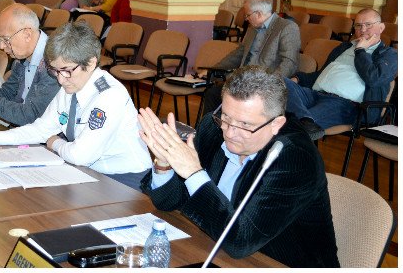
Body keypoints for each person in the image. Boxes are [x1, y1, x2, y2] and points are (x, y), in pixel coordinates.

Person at [138, 66, 337, 266]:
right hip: (216, 251)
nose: (230, 133)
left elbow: (240, 241)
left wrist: (193, 173)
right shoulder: (214, 127)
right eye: (226, 117)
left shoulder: (295, 158)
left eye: (245, 125)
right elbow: (169, 202)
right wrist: (164, 163)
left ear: (276, 124)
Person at [0, 21, 152, 189]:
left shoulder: (109, 96)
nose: (60, 79)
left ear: (91, 63)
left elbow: (80, 155)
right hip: (90, 172)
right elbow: (41, 129)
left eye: (66, 70)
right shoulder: (71, 84)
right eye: (55, 71)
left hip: (124, 181)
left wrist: (54, 142)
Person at [287, 7, 398, 139]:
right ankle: (306, 121)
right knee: (279, 83)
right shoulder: (344, 47)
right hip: (314, 94)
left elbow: (374, 78)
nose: (362, 30)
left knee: (289, 125)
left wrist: (360, 50)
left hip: (343, 104)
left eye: (368, 25)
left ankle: (302, 123)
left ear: (381, 27)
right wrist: (297, 78)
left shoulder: (389, 54)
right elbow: (321, 75)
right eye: (358, 25)